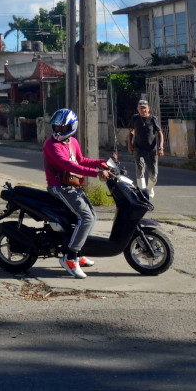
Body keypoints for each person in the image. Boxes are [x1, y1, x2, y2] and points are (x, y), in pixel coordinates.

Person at [43, 108, 111, 279]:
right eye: (57, 127)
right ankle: (70, 257)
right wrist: (96, 173)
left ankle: (78, 253)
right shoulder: (51, 145)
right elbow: (69, 166)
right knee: (86, 217)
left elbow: (81, 160)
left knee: (92, 216)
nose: (59, 131)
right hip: (59, 187)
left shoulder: (72, 142)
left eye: (63, 128)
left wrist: (100, 163)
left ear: (71, 127)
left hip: (72, 187)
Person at [128, 98, 164, 199]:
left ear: (148, 108)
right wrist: (130, 145)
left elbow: (160, 133)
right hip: (138, 148)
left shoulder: (153, 119)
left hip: (151, 150)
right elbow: (131, 131)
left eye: (144, 108)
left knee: (153, 175)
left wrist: (160, 147)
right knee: (140, 170)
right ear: (137, 109)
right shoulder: (135, 118)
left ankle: (148, 189)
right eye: (140, 108)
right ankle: (142, 194)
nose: (143, 110)